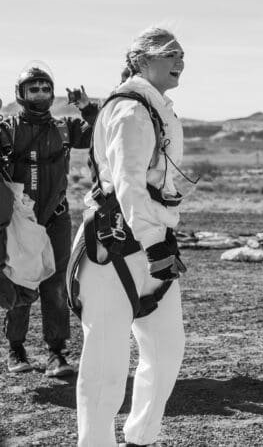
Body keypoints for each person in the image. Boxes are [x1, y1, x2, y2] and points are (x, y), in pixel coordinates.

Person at [69, 27, 189, 447]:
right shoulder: (131, 111)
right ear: (141, 59)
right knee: (106, 365)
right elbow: (128, 185)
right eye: (169, 53)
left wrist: (160, 240)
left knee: (167, 350)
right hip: (115, 247)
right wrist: (156, 245)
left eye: (181, 54)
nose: (179, 60)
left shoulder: (158, 108)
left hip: (152, 244)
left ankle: (140, 437)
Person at [1, 62, 97, 377]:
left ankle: (57, 353)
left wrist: (86, 106)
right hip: (20, 220)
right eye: (34, 89)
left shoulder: (65, 126)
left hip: (56, 216)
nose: (40, 94)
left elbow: (102, 133)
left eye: (45, 88)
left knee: (56, 285)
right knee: (22, 279)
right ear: (21, 93)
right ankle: (16, 349)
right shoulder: (8, 128)